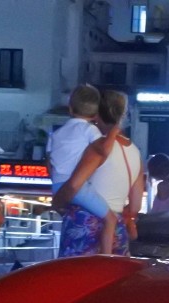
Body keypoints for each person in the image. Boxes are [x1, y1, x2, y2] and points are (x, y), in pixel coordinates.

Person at [52, 90, 145, 257]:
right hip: (117, 227)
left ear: (96, 114)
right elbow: (135, 205)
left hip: (85, 223)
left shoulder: (98, 146)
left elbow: (74, 184)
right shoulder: (135, 152)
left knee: (76, 280)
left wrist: (57, 201)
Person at [47, 83, 118, 256]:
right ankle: (107, 257)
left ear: (70, 109)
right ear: (95, 115)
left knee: (68, 214)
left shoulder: (56, 134)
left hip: (57, 185)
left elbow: (49, 163)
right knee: (110, 219)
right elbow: (101, 149)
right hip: (78, 186)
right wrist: (113, 131)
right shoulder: (89, 129)